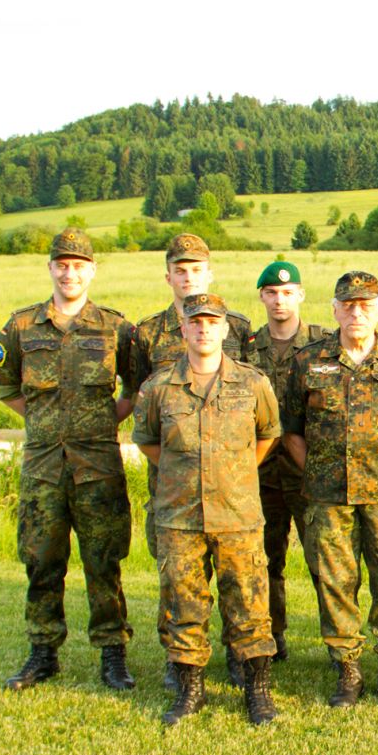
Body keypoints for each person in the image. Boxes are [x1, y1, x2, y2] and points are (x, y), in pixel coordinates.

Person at [0, 228, 136, 692]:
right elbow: (6, 387)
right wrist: (43, 420)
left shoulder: (116, 328)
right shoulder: (20, 327)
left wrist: (104, 420)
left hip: (98, 467)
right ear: (51, 268)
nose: (70, 273)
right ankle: (43, 651)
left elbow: (136, 388)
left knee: (103, 561)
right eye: (62, 265)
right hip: (44, 469)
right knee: (42, 560)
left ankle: (112, 653)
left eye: (78, 265)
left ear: (92, 271)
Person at [130, 293, 284, 726]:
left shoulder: (252, 384)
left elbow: (268, 435)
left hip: (237, 514)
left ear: (224, 329)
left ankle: (257, 691)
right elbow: (148, 441)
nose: (203, 329)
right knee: (184, 605)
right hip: (180, 516)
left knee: (249, 605)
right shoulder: (159, 387)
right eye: (195, 322)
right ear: (183, 329)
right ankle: (190, 690)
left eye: (211, 322)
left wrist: (233, 472)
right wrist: (186, 472)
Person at [281, 272, 378, 710]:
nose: (356, 313)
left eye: (365, 305)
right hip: (328, 498)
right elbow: (291, 430)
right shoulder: (309, 361)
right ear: (335, 310)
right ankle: (347, 667)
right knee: (335, 584)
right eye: (348, 305)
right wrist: (318, 471)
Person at [129, 233, 258, 689]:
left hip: (230, 481)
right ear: (168, 276)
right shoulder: (146, 333)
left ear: (210, 273)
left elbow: (258, 410)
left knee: (237, 572)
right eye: (180, 271)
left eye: (196, 270)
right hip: (175, 479)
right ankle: (179, 656)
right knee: (178, 572)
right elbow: (140, 400)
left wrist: (238, 465)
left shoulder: (237, 327)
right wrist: (171, 462)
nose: (189, 278)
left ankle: (240, 654)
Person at [249, 260, 329, 663]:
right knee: (265, 560)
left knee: (324, 560)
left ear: (300, 295)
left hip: (309, 470)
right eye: (271, 293)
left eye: (286, 292)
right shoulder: (246, 348)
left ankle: (337, 643)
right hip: (260, 472)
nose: (279, 300)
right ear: (262, 297)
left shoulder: (324, 344)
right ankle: (272, 636)